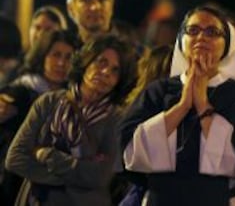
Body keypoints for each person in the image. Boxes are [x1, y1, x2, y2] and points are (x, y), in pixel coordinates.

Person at [120, 5, 235, 206]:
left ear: (226, 44)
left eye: (212, 32)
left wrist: (202, 104)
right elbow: (132, 153)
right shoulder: (158, 91)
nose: (201, 37)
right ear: (181, 39)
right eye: (193, 30)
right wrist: (183, 106)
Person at [5, 35, 137, 206]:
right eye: (101, 62)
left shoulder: (116, 117)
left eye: (115, 70)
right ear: (85, 63)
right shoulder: (49, 102)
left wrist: (46, 154)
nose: (106, 72)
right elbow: (15, 159)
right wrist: (73, 175)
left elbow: (99, 178)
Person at [0, 30, 79, 205]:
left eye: (68, 57)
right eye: (55, 55)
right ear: (42, 55)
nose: (61, 63)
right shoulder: (21, 91)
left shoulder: (74, 99)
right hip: (15, 182)